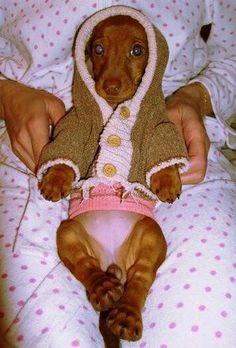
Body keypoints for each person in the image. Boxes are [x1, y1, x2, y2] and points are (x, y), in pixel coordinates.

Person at [0, 1, 235, 347]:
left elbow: (232, 57)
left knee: (207, 327)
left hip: (177, 141)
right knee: (44, 336)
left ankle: (135, 295)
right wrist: (5, 92)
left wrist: (196, 98)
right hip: (35, 145)